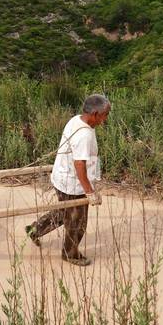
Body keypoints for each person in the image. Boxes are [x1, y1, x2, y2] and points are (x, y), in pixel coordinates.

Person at [26, 94, 109, 266]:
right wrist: (89, 192)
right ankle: (70, 254)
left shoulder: (76, 120)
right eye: (104, 114)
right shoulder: (84, 135)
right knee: (77, 222)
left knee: (64, 213)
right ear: (94, 113)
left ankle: (35, 229)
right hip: (73, 184)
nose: (105, 119)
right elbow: (79, 165)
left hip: (62, 177)